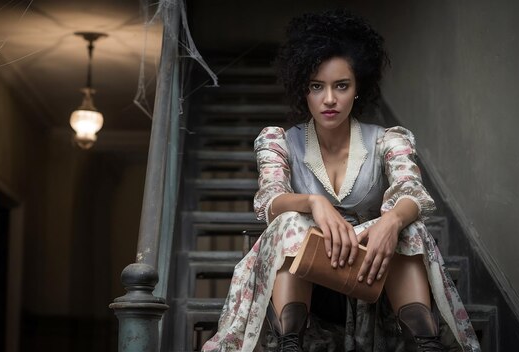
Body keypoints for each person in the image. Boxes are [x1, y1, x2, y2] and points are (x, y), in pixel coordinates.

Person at [202, 9, 480, 352]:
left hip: (371, 277)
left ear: (358, 88)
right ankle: (291, 343)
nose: (329, 99)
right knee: (290, 221)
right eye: (316, 86)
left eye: (341, 86)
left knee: (410, 227)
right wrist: (314, 204)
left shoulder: (387, 140)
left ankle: (425, 342)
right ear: (303, 90)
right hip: (309, 283)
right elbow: (270, 200)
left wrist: (392, 220)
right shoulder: (279, 141)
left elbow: (412, 191)